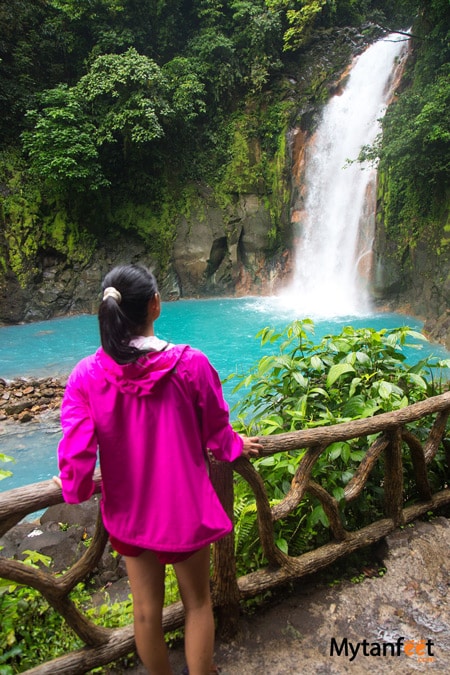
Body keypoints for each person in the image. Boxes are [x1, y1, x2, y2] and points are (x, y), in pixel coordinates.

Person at [53, 264, 262, 675]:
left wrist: (73, 487)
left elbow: (77, 454)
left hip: (129, 516)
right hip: (184, 510)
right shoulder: (191, 364)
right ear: (155, 305)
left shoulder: (86, 376)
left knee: (146, 612)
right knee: (197, 603)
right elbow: (218, 431)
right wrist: (237, 447)